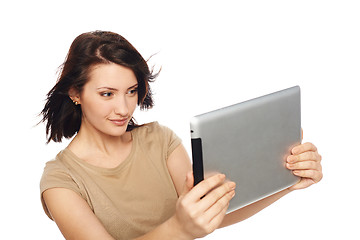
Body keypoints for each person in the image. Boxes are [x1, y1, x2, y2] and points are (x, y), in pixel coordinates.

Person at [40, 31, 323, 240]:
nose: (124, 108)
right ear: (76, 93)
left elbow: (211, 215)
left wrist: (286, 181)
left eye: (132, 91)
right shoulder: (61, 179)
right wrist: (178, 228)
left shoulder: (159, 140)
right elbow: (185, 226)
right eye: (107, 94)